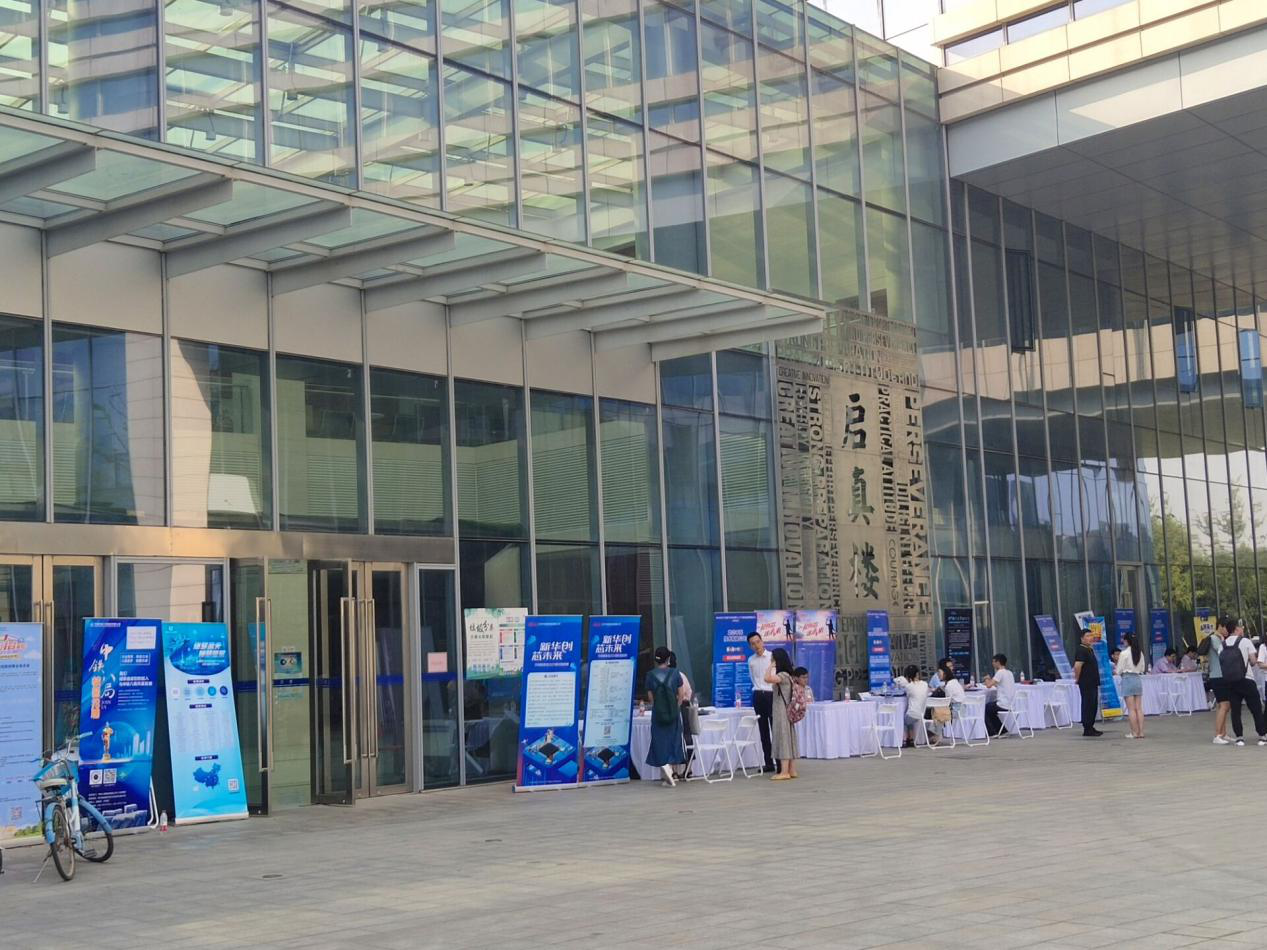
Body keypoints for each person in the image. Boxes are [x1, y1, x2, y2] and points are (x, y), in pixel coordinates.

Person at [1216, 616, 1266, 747]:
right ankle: (1262, 736)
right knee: (1255, 708)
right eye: (1241, 627)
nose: (1242, 629)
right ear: (1236, 629)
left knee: (1236, 710)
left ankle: (1239, 738)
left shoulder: (1222, 645)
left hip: (1230, 682)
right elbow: (1253, 661)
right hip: (1247, 679)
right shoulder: (1245, 641)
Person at [644, 646, 688, 785]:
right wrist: (675, 707)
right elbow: (681, 694)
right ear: (668, 659)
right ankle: (672, 769)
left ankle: (665, 771)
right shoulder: (675, 673)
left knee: (659, 742)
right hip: (673, 714)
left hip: (658, 715)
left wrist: (659, 707)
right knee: (673, 741)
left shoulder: (650, 675)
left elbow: (651, 698)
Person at [763, 647, 799, 780]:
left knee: (783, 738)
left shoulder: (783, 675)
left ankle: (784, 772)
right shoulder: (789, 675)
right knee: (789, 738)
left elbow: (766, 678)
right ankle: (792, 769)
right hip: (786, 710)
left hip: (781, 711)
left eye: (773, 658)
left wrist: (771, 666)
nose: (771, 660)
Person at [746, 632, 775, 773]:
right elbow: (753, 678)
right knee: (763, 731)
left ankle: (780, 762)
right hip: (758, 694)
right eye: (753, 644)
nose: (756, 645)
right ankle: (768, 763)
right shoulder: (751, 660)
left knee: (775, 729)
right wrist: (758, 689)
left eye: (758, 642)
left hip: (771, 694)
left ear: (762, 641)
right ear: (750, 646)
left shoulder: (772, 657)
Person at [1198, 622, 1231, 744]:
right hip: (1218, 676)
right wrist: (1223, 640)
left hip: (1220, 676)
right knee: (1224, 705)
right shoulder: (1214, 638)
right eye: (1226, 628)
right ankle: (1217, 735)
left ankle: (1223, 733)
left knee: (1222, 706)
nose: (1227, 631)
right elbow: (1222, 652)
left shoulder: (1217, 638)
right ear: (1220, 626)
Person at [667, 651, 694, 781]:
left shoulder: (665, 676)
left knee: (672, 738)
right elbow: (689, 692)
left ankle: (673, 770)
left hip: (675, 707)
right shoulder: (681, 675)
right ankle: (689, 768)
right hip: (684, 707)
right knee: (686, 737)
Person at [1115, 633, 1147, 739]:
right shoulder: (1140, 653)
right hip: (1137, 679)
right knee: (1139, 708)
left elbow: (1119, 670)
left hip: (1127, 679)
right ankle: (1141, 732)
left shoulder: (1124, 653)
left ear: (1127, 641)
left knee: (1131, 709)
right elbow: (1142, 668)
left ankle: (1134, 732)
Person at [1073, 628, 1102, 737]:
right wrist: (1077, 678)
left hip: (1093, 682)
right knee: (1088, 704)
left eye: (1091, 636)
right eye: (1088, 636)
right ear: (1082, 638)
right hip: (1086, 682)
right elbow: (1077, 666)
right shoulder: (1081, 650)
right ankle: (1087, 727)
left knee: (1093, 704)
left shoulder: (1089, 649)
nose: (1090, 638)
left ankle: (1091, 725)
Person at [894, 664, 930, 748]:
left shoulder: (909, 686)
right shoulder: (925, 684)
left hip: (913, 714)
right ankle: (911, 738)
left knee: (902, 720)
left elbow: (896, 681)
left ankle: (904, 739)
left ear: (907, 676)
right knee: (909, 719)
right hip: (922, 713)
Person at [983, 653, 1016, 738]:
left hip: (1003, 704)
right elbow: (998, 684)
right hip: (1011, 703)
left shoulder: (1000, 672)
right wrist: (990, 681)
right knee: (991, 710)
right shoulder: (1009, 673)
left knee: (984, 708)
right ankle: (1002, 731)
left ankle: (991, 732)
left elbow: (988, 685)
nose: (992, 664)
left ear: (998, 662)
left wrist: (986, 678)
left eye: (993, 662)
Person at [935, 659, 965, 742]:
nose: (938, 675)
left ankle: (936, 735)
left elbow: (947, 702)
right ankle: (936, 734)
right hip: (962, 709)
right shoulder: (955, 682)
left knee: (937, 712)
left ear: (945, 674)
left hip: (956, 710)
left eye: (940, 673)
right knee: (938, 710)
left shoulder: (949, 686)